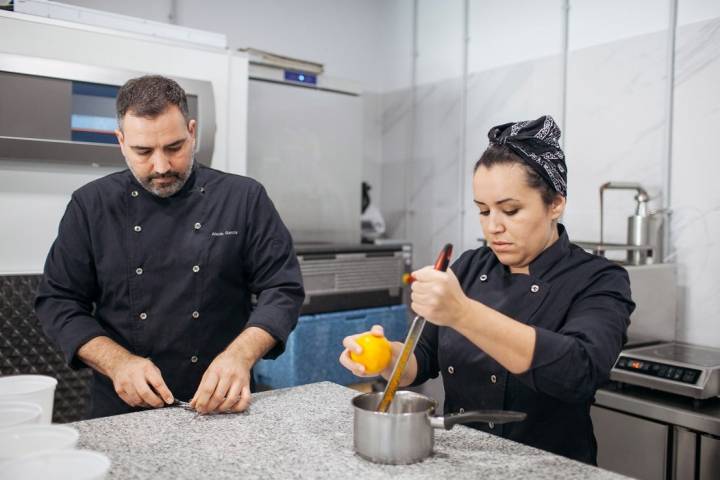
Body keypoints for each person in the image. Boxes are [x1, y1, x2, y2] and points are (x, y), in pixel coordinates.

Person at [340, 116, 634, 464]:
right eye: (483, 210)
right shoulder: (469, 266)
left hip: (550, 468)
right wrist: (387, 357)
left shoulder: (598, 278)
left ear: (555, 203)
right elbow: (422, 359)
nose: (493, 226)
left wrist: (463, 314)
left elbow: (579, 371)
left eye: (511, 210)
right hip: (463, 462)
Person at [35, 75, 304, 418]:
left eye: (174, 147)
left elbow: (282, 288)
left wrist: (241, 355)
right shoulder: (91, 206)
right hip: (123, 410)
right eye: (143, 151)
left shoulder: (244, 198)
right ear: (120, 141)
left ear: (192, 131)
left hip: (221, 403)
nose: (161, 166)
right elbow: (58, 301)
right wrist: (116, 362)